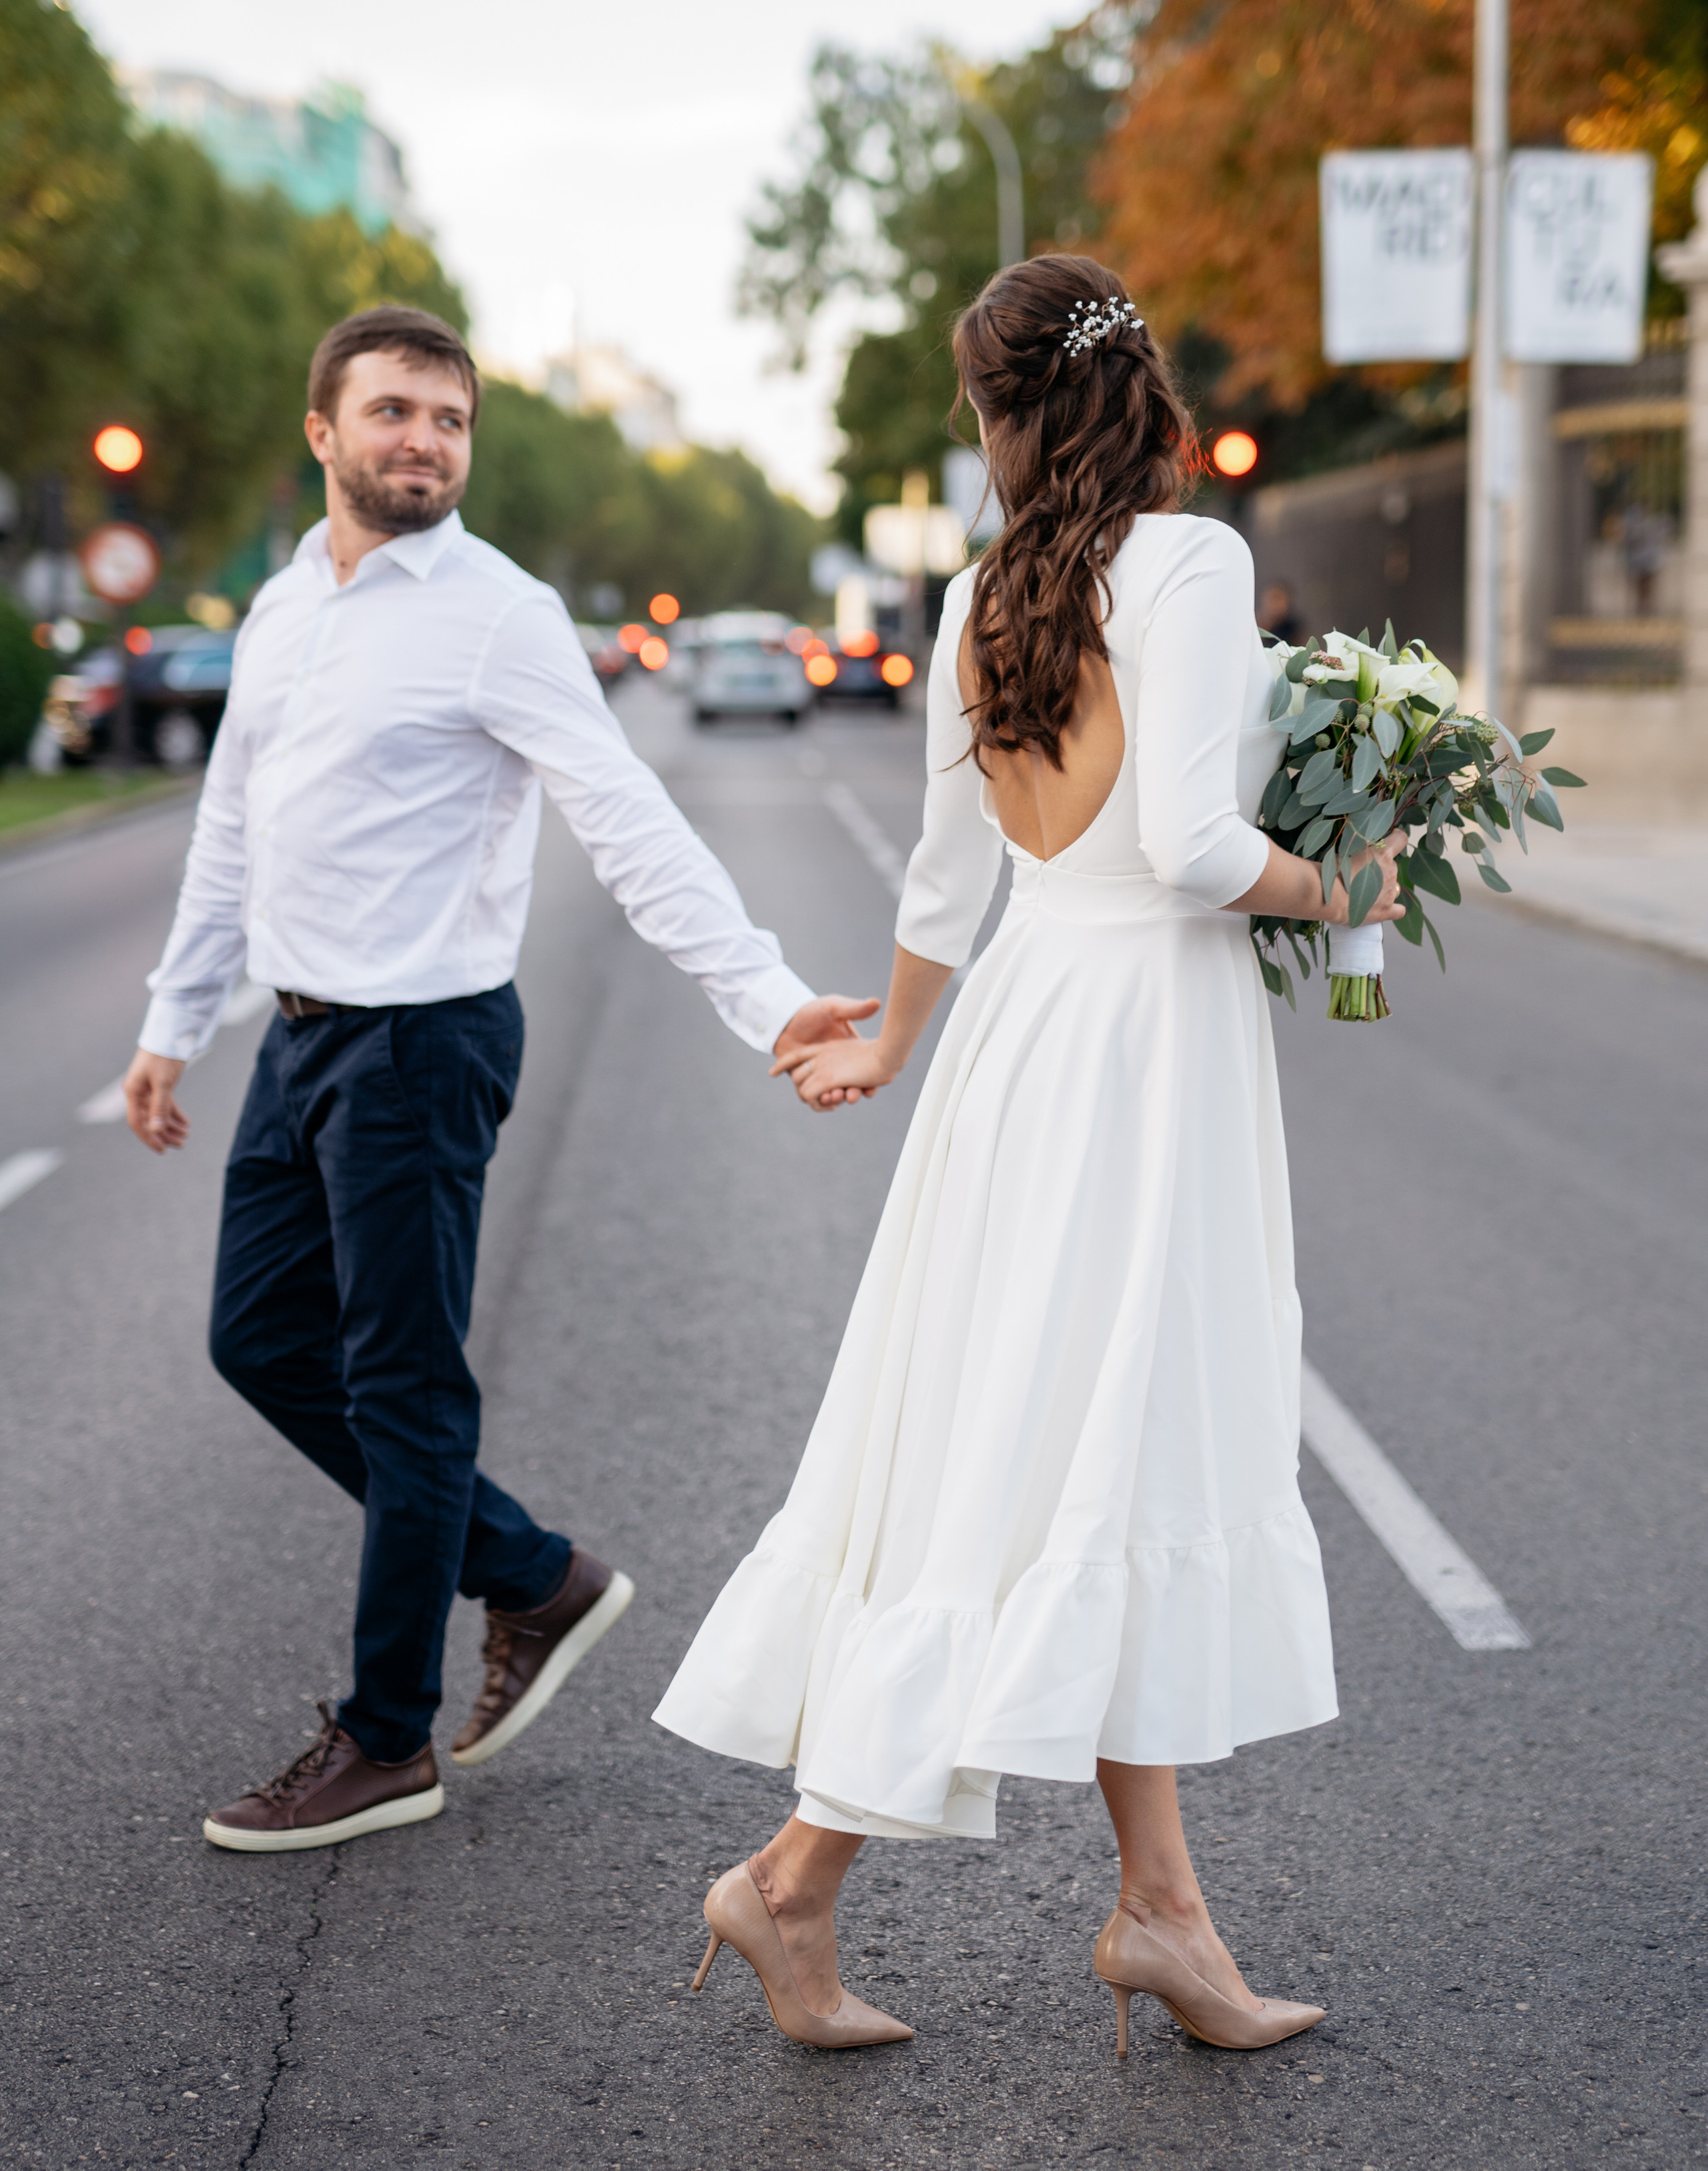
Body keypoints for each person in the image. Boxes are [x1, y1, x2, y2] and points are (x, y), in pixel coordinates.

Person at [655, 255, 1405, 2057]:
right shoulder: (1195, 563)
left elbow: (943, 869)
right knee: (1063, 1455)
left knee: (1080, 1457)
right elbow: (1203, 845)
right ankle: (795, 1879)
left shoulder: (987, 591)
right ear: (1144, 390)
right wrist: (1348, 883)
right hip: (1149, 1041)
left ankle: (1159, 1916)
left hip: (1019, 1037)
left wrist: (898, 1039)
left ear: (1000, 418)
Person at [123, 304, 870, 1854]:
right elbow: (234, 834)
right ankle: (531, 1570)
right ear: (323, 434)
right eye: (393, 411)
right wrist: (173, 1020)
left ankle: (385, 1737)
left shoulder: (497, 611)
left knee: (403, 1393)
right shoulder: (277, 613)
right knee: (259, 1340)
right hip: (301, 1034)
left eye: (449, 420)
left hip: (421, 1043)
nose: (425, 441)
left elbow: (622, 812)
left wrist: (771, 999)